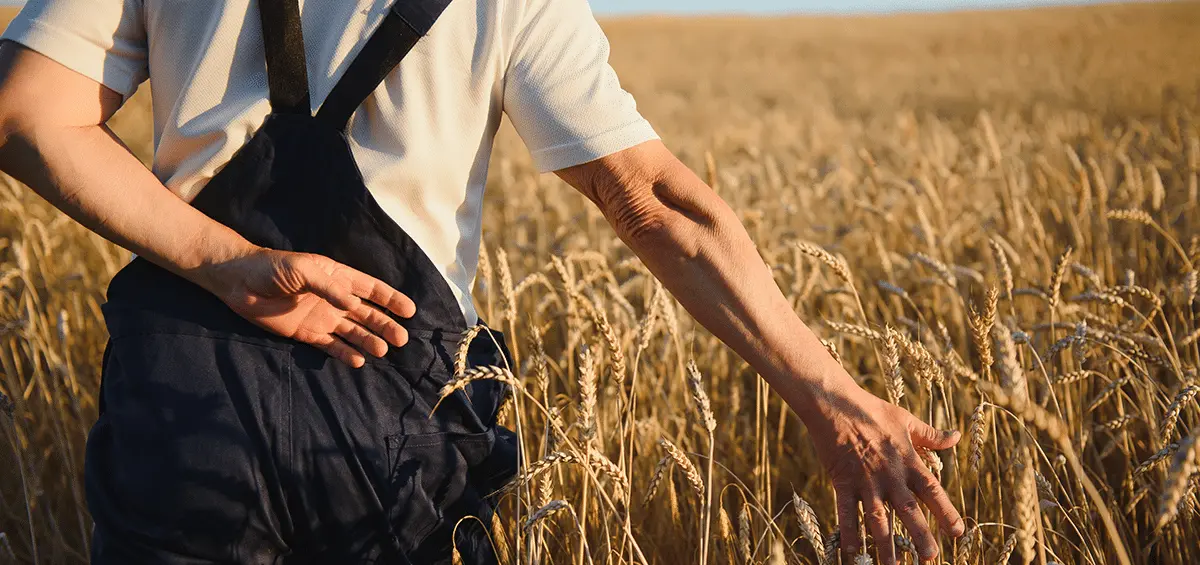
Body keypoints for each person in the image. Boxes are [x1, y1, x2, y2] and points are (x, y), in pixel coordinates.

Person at [0, 0, 966, 563]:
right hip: (386, 413)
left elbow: (26, 114)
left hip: (180, 405)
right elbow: (651, 201)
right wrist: (829, 394)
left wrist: (226, 263)